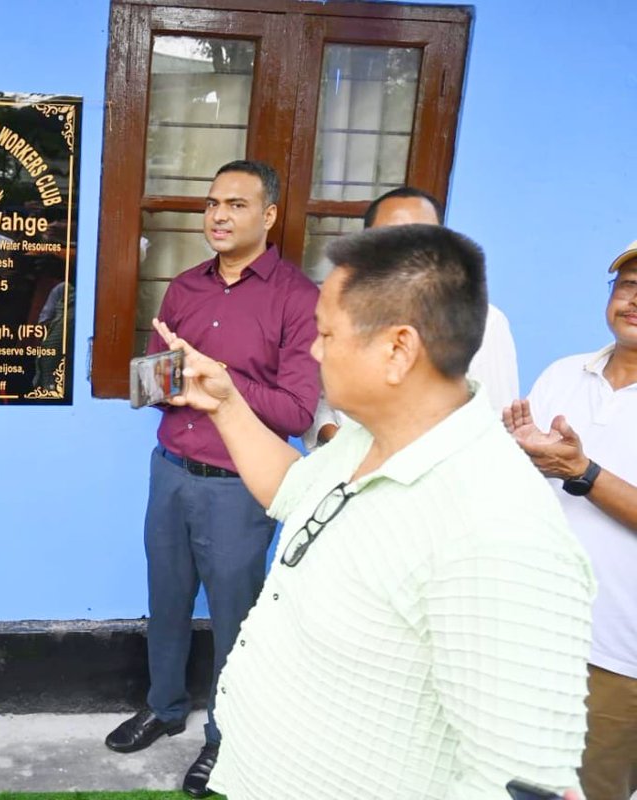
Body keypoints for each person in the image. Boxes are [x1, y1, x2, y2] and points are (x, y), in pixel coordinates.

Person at [155, 223, 594, 798]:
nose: (314, 351)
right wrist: (228, 403)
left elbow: (518, 781)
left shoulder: (499, 531)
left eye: (327, 334)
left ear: (397, 349)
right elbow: (293, 489)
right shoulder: (368, 438)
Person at [104, 160, 320, 797]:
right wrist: (165, 378)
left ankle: (226, 738)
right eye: (212, 204)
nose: (219, 216)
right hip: (170, 469)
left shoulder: (297, 298)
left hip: (239, 486)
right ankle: (164, 708)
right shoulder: (184, 288)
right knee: (166, 599)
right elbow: (153, 382)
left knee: (235, 616)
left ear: (269, 215)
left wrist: (216, 379)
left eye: (237, 205)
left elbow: (296, 411)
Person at [504, 239, 637, 800]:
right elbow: (522, 486)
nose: (635, 299)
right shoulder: (564, 373)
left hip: (619, 652)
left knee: (593, 788)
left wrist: (582, 471)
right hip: (538, 635)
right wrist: (521, 456)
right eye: (628, 284)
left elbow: (575, 472)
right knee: (510, 781)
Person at [306, 187, 519, 447]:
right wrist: (329, 432)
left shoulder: (485, 321)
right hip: (345, 475)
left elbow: (494, 422)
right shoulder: (341, 309)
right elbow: (321, 393)